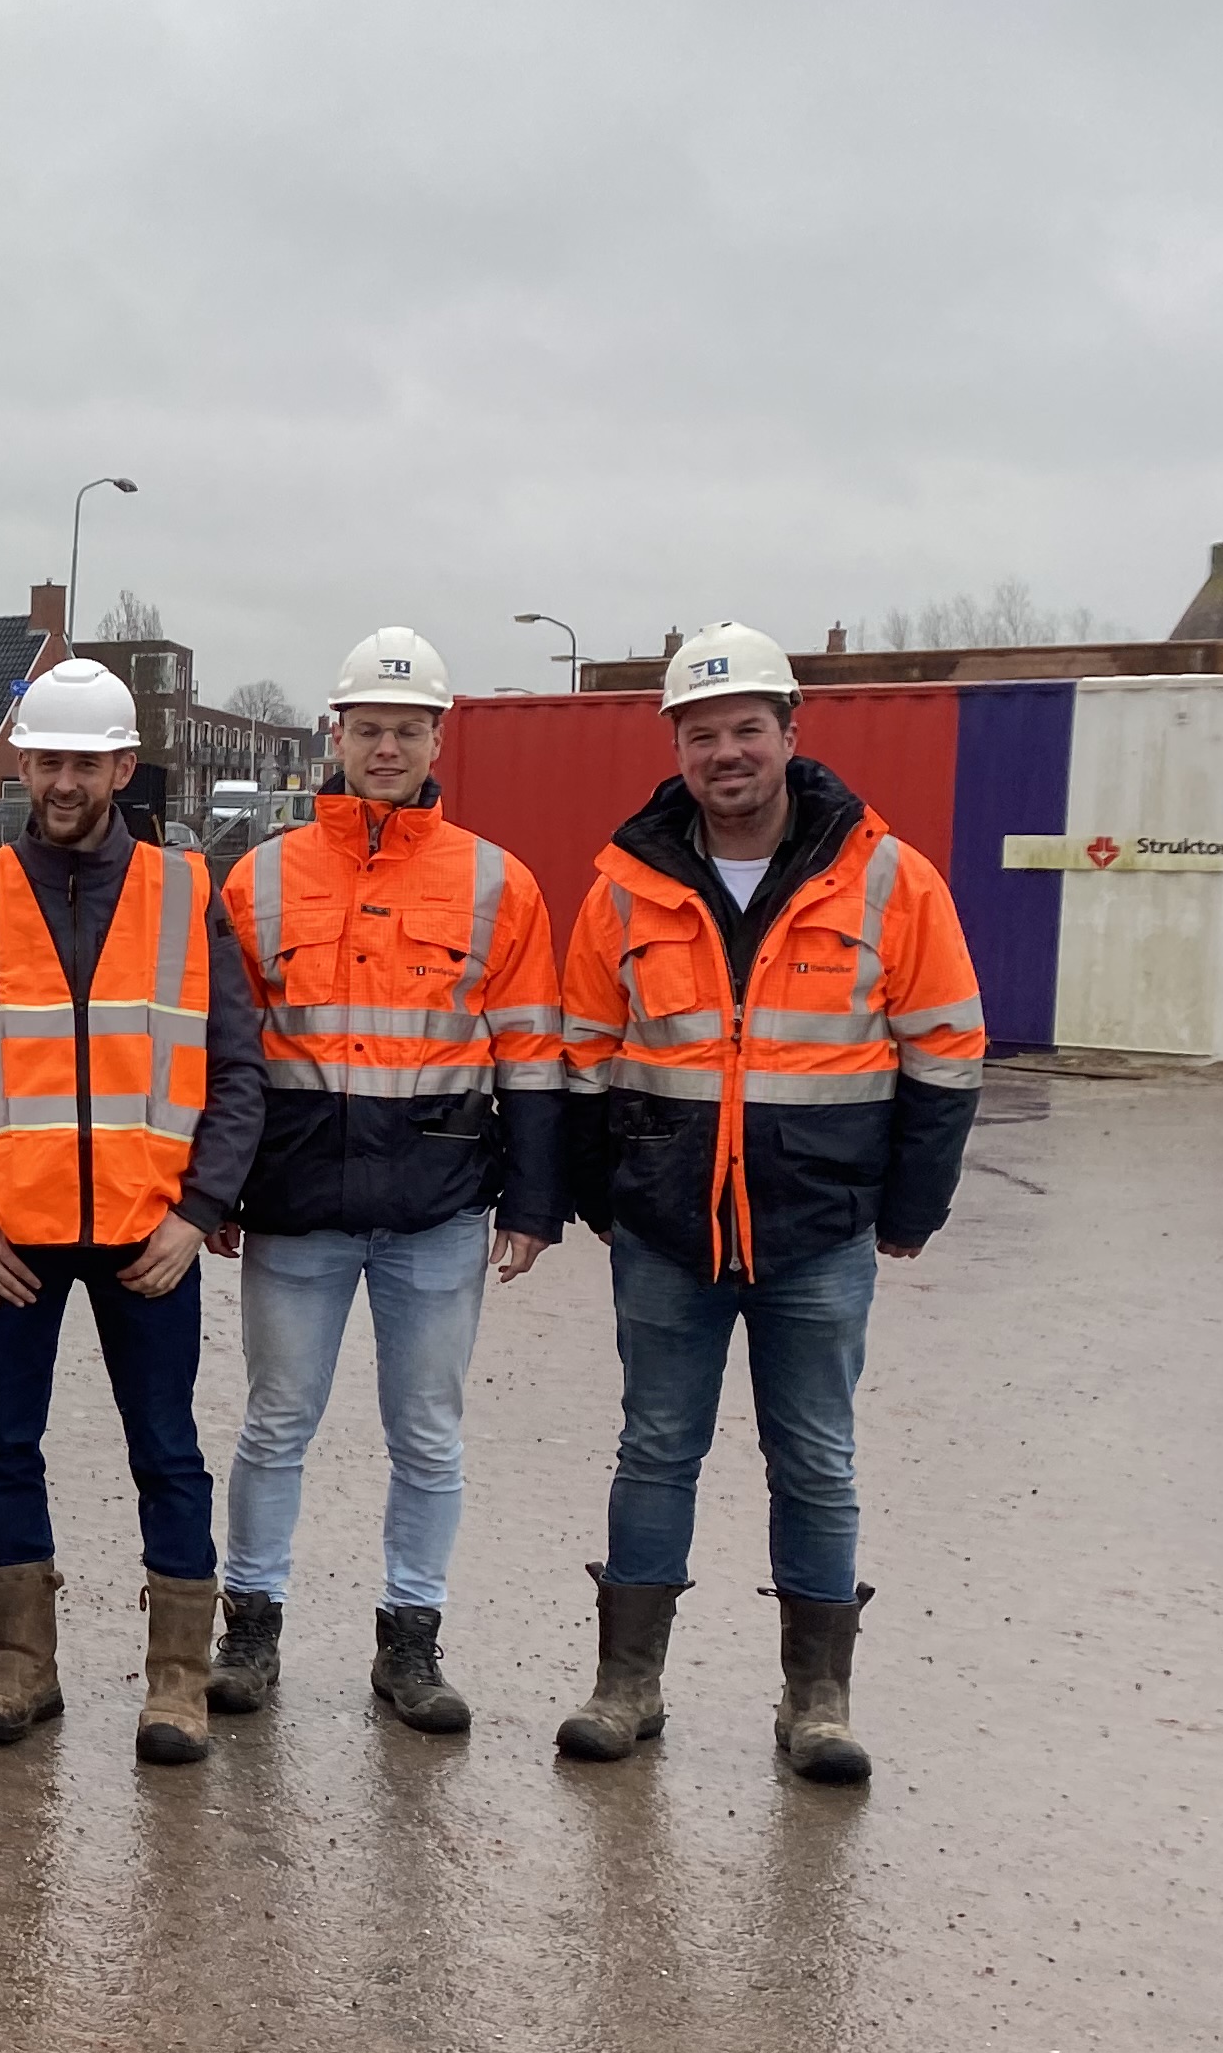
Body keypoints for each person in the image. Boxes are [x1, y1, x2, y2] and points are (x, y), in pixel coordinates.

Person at [556, 623, 983, 1781]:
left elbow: (945, 1048)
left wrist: (909, 1208)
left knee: (817, 1460)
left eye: (748, 728)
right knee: (655, 1451)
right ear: (677, 750)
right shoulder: (625, 885)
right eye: (703, 735)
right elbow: (583, 1058)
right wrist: (608, 1198)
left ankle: (817, 1703)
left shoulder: (889, 878)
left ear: (793, 734)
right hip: (665, 1231)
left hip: (817, 1230)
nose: (726, 753)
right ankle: (626, 1686)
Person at [0, 656, 265, 1766]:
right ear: (26, 764)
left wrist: (199, 1211)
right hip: (7, 1238)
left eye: (84, 762)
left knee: (169, 1451)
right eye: (47, 759)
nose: (62, 780)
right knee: (7, 1445)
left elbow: (238, 1069)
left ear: (122, 768)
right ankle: (22, 1666)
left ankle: (178, 1680)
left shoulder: (187, 894)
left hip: (153, 1235)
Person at [208, 629, 565, 1734]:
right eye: (370, 729)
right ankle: (250, 1633)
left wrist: (534, 1203)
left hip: (437, 1205)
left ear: (435, 738)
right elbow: (225, 1051)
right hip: (300, 1202)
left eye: (408, 730)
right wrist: (211, 1188)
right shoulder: (261, 879)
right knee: (276, 1424)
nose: (388, 747)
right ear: (338, 734)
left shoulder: (497, 882)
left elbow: (534, 1052)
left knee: (428, 1434)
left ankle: (411, 1643)